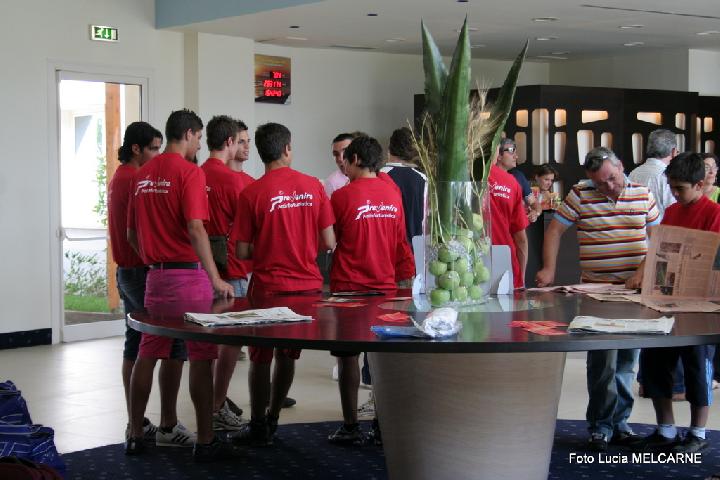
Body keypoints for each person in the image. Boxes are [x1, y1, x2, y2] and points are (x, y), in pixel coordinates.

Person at [126, 109, 236, 462]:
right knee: (201, 358)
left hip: (155, 277)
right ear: (188, 134)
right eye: (199, 137)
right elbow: (196, 228)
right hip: (188, 277)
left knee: (148, 353)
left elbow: (131, 233)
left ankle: (134, 433)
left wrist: (151, 258)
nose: (200, 144)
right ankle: (205, 441)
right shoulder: (189, 173)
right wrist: (215, 277)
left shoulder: (142, 175)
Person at [536, 146, 660, 452]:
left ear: (620, 166)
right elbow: (554, 231)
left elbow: (658, 240)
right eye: (600, 182)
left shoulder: (643, 194)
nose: (608, 186)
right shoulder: (580, 194)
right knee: (603, 361)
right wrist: (549, 269)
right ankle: (600, 427)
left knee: (628, 361)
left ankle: (621, 424)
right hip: (595, 292)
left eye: (611, 178)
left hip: (633, 293)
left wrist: (643, 272)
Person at [231, 122, 336, 446]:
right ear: (287, 149)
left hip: (267, 287)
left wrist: (270, 241)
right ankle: (275, 416)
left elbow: (242, 249)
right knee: (288, 356)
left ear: (261, 152)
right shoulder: (313, 186)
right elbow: (329, 240)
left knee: (260, 357)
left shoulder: (252, 192)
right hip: (306, 289)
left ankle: (259, 424)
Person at [625, 152, 720, 453]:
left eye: (681, 188)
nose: (676, 194)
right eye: (673, 188)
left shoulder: (713, 212)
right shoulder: (673, 211)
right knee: (655, 365)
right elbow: (660, 250)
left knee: (696, 367)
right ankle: (665, 429)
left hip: (699, 306)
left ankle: (698, 432)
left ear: (701, 183)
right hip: (668, 303)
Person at [327, 136, 415, 445]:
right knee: (381, 359)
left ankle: (350, 425)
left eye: (344, 160)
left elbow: (329, 242)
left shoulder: (341, 196)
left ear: (353, 161)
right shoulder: (393, 194)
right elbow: (401, 242)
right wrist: (406, 281)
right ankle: (381, 425)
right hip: (386, 289)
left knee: (347, 358)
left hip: (349, 289)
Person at [107, 121, 163, 441]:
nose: (157, 155)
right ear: (137, 149)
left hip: (126, 270)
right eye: (154, 148)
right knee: (151, 345)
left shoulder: (120, 176)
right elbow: (139, 229)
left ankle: (135, 420)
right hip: (139, 270)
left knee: (133, 343)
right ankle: (139, 423)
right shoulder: (135, 179)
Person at [199, 115, 248, 431]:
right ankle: (216, 406)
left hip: (202, 269)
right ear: (230, 142)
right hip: (232, 268)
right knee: (230, 343)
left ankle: (214, 401)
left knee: (205, 344)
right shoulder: (235, 183)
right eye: (240, 141)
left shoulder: (195, 174)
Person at [627, 129, 683, 401]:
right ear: (672, 152)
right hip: (662, 252)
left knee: (646, 318)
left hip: (638, 250)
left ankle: (644, 380)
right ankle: (667, 383)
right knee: (664, 319)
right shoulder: (665, 177)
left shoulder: (635, 174)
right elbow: (672, 213)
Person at [488, 146, 529, 289]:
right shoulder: (511, 183)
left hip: (463, 263)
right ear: (496, 151)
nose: (515, 156)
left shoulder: (459, 176)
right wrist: (521, 278)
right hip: (504, 264)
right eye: (510, 151)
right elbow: (521, 239)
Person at [380, 127, 427, 249]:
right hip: (416, 250)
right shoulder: (423, 179)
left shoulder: (378, 176)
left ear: (389, 149)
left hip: (386, 248)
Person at [628, 129, 678, 218]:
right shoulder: (668, 176)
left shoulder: (633, 173)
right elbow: (674, 211)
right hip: (662, 230)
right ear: (673, 151)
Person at [496, 138, 537, 222]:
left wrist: (535, 212)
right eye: (511, 151)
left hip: (518, 226)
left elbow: (533, 203)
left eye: (515, 152)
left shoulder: (518, 176)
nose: (516, 156)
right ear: (498, 155)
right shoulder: (486, 179)